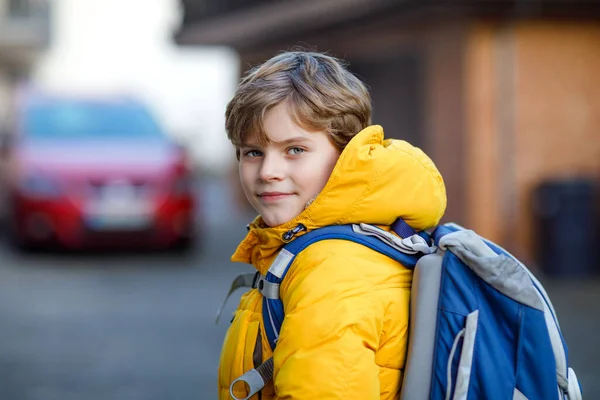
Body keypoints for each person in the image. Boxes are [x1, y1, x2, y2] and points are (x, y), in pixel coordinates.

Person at [218, 50, 447, 400]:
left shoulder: (332, 273)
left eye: (294, 150)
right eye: (253, 152)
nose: (268, 172)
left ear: (346, 154)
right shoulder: (349, 239)